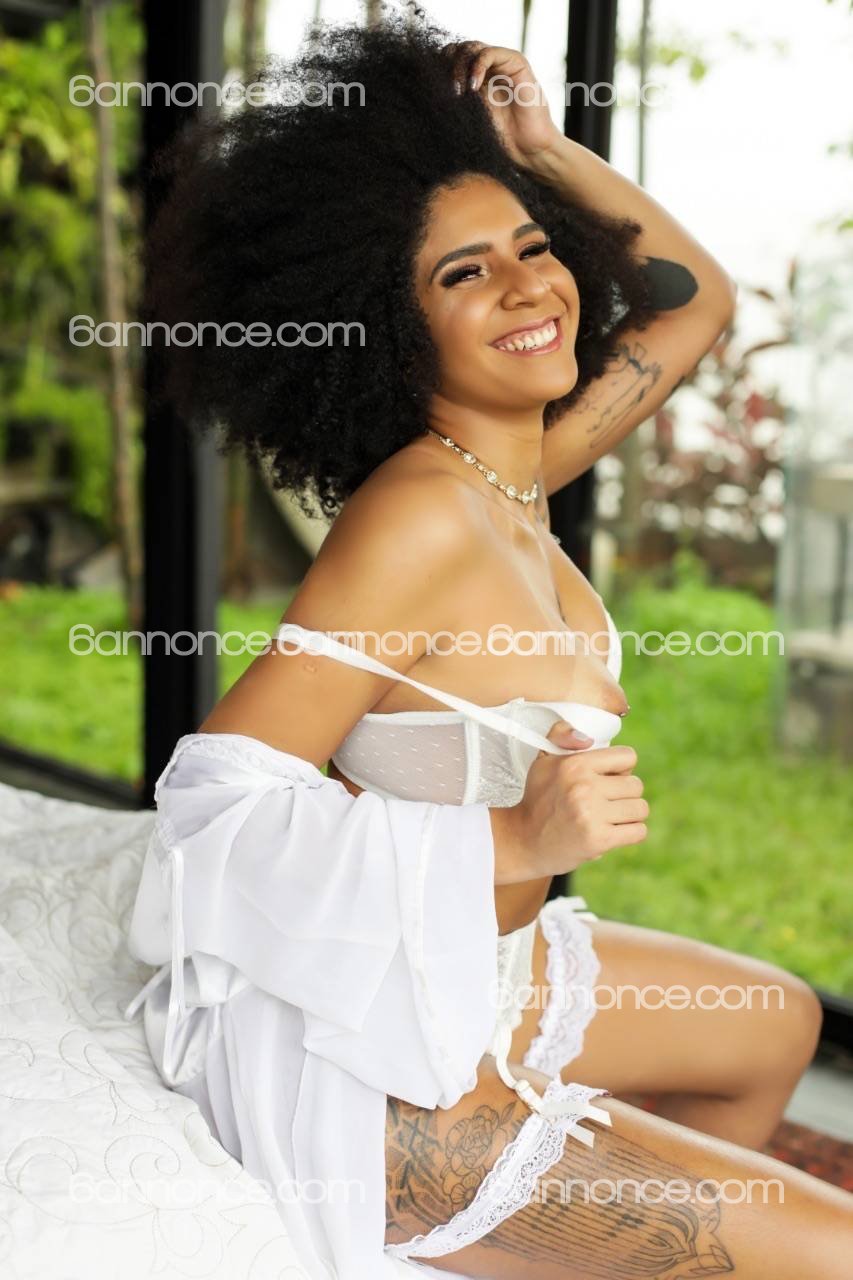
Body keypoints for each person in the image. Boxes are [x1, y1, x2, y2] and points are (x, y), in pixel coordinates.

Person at [125, 7, 853, 1278]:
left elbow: (692, 304)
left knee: (774, 1019)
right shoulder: (418, 517)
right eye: (462, 274)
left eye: (533, 246)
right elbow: (211, 808)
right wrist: (514, 840)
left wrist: (539, 150)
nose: (528, 287)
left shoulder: (510, 471)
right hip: (385, 1065)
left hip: (482, 970)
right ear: (387, 324)